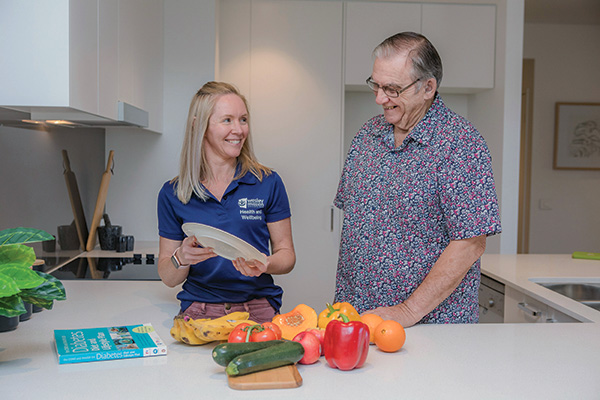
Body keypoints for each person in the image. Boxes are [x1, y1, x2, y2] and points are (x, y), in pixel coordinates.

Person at [334, 32, 502, 327]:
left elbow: (470, 243)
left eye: (392, 89)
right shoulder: (367, 136)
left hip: (431, 326)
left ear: (428, 87)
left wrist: (409, 310)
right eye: (376, 84)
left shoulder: (461, 143)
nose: (379, 98)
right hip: (358, 316)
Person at [157, 81, 296, 324]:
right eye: (227, 120)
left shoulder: (268, 182)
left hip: (258, 309)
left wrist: (265, 264)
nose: (239, 130)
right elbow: (168, 277)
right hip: (199, 311)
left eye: (243, 119)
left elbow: (287, 255)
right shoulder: (174, 193)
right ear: (199, 126)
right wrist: (181, 257)